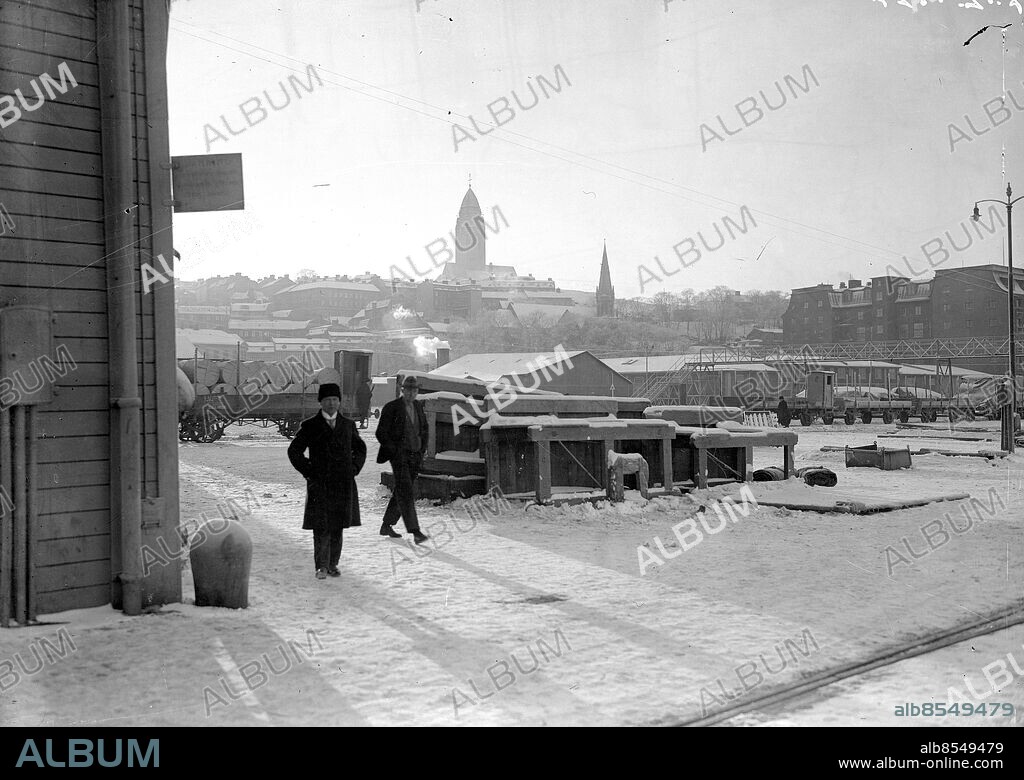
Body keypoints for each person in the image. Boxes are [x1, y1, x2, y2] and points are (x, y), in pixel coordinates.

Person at [287, 383, 366, 579]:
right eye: (327, 400)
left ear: (339, 402)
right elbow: (294, 451)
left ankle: (332, 564)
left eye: (334, 400)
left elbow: (360, 449)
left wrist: (353, 469)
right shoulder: (310, 425)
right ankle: (321, 566)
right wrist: (308, 471)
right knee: (321, 526)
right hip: (320, 484)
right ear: (320, 402)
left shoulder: (348, 425)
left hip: (342, 484)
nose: (331, 403)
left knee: (337, 526)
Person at [375, 375, 429, 544]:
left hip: (415, 455)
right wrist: (394, 451)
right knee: (406, 490)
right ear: (402, 390)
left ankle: (387, 525)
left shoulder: (419, 407)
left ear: (417, 392)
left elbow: (424, 429)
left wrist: (422, 450)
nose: (411, 394)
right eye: (408, 390)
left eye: (414, 391)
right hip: (399, 456)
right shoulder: (392, 407)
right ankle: (415, 531)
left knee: (401, 489)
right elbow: (381, 432)